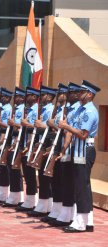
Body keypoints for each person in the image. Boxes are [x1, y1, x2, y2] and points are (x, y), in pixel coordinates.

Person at [58, 80, 99, 233]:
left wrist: (66, 126)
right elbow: (70, 131)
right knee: (80, 185)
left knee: (82, 186)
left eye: (82, 92)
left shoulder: (89, 111)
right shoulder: (79, 110)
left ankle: (81, 223)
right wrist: (64, 148)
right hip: (77, 150)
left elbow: (82, 134)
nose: (79, 94)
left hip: (85, 149)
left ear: (90, 94)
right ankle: (87, 222)